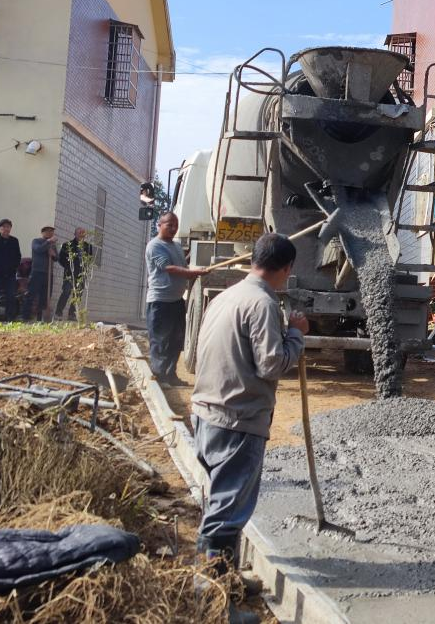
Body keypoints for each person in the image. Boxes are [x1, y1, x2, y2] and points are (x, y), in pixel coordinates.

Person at [190, 232, 307, 623]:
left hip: (207, 412)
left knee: (221, 500)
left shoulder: (226, 296)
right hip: (237, 420)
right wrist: (296, 334)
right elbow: (271, 364)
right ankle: (213, 602)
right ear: (286, 268)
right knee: (227, 511)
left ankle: (224, 577)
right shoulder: (262, 303)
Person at [145, 212, 206, 387]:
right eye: (169, 225)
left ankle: (170, 376)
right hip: (160, 302)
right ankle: (159, 377)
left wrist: (194, 272)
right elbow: (169, 268)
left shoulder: (177, 246)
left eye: (175, 226)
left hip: (176, 301)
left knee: (176, 340)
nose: (173, 228)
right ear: (159, 225)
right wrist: (192, 273)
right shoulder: (154, 246)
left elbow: (183, 267)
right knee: (160, 341)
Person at [57, 228, 94, 320]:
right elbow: (61, 259)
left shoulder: (88, 247)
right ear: (75, 234)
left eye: (83, 233)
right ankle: (58, 312)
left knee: (78, 295)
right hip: (70, 274)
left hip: (81, 274)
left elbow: (89, 259)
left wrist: (85, 269)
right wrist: (68, 267)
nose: (82, 234)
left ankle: (71, 314)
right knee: (66, 292)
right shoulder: (67, 245)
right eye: (79, 233)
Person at [25, 227, 58, 322]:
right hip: (37, 272)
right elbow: (38, 249)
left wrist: (54, 255)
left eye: (52, 231)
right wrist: (48, 242)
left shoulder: (52, 245)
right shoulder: (36, 241)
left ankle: (40, 318)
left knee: (45, 297)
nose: (50, 233)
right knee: (31, 294)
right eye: (48, 231)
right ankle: (25, 316)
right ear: (43, 232)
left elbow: (57, 258)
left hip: (48, 273)